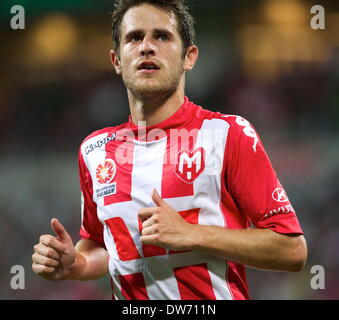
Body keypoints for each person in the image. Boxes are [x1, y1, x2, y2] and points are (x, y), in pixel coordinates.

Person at [32, 0, 307, 300]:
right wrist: (75, 263)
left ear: (189, 57)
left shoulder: (228, 134)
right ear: (116, 60)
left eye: (162, 36)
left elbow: (292, 250)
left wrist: (192, 234)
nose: (147, 47)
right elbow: (103, 245)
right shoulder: (94, 151)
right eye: (134, 37)